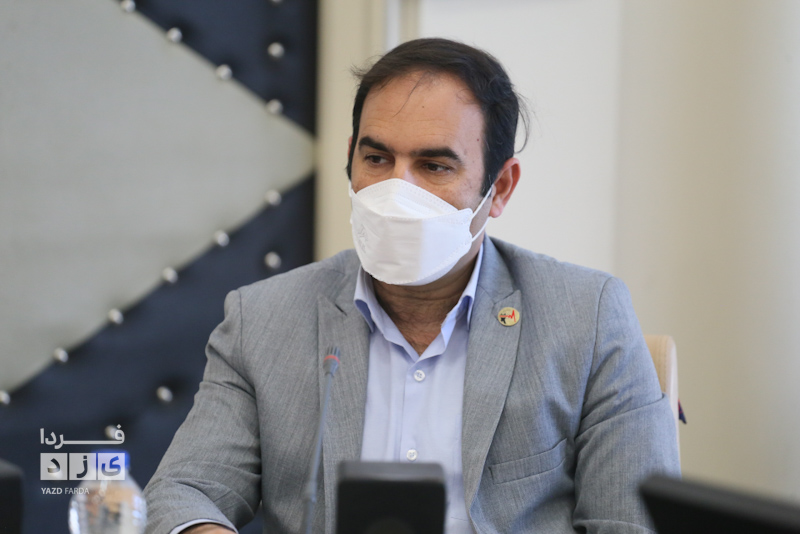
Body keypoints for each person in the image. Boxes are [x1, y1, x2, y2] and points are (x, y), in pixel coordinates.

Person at [144, 38, 680, 534]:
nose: (396, 192)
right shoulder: (263, 320)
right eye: (377, 159)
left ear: (499, 188)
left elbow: (632, 525)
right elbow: (183, 491)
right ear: (350, 158)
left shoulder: (587, 318)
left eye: (434, 166)